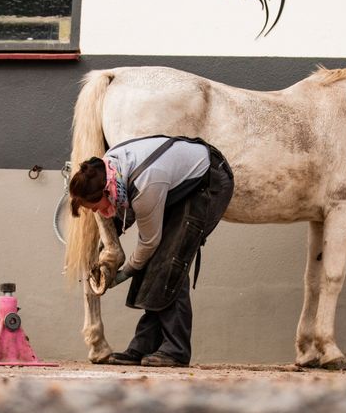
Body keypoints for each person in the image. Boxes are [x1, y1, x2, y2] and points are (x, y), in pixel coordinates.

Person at [69, 135, 234, 367]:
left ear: (107, 192)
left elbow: (148, 243)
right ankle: (145, 345)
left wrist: (122, 274)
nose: (99, 212)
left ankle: (176, 350)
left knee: (171, 262)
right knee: (154, 261)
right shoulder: (107, 169)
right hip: (176, 184)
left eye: (97, 207)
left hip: (209, 182)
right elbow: (133, 218)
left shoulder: (145, 183)